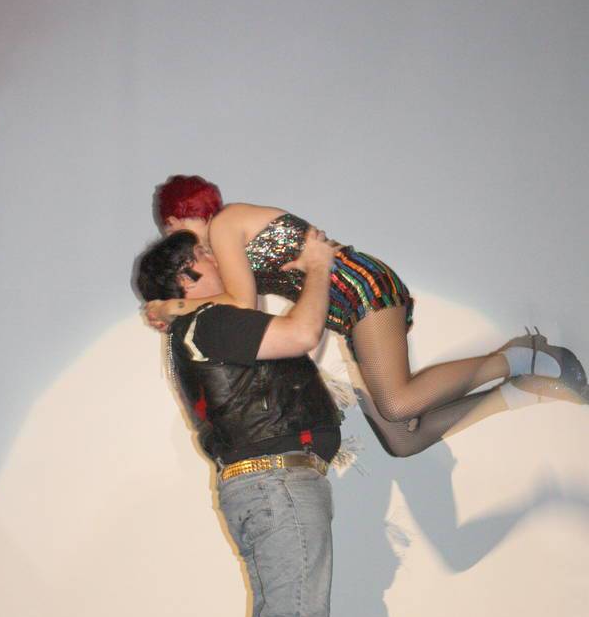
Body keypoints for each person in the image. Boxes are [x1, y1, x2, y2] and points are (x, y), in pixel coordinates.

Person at [146, 175, 588, 457]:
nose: (175, 244)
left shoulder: (225, 224)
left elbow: (242, 306)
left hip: (361, 288)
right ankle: (522, 390)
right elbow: (251, 317)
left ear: (177, 217)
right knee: (401, 439)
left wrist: (175, 306)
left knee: (397, 403)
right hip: (347, 314)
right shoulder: (224, 249)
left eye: (170, 232)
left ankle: (522, 356)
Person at [136, 227, 341, 617]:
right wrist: (319, 267)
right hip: (277, 482)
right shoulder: (211, 322)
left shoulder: (202, 324)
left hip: (262, 483)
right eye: (204, 254)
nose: (219, 255)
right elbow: (302, 334)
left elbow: (292, 343)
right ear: (186, 277)